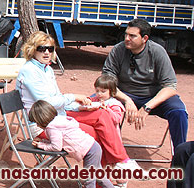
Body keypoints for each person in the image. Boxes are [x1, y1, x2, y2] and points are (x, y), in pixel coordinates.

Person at [16, 31, 141, 169]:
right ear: (33, 50)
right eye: (41, 48)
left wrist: (79, 107)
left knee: (101, 113)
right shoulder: (29, 71)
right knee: (96, 137)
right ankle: (108, 175)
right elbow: (47, 103)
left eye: (50, 49)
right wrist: (74, 97)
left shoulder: (47, 70)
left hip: (58, 117)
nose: (46, 52)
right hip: (43, 124)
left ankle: (120, 163)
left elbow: (58, 99)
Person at [102, 18, 188, 149]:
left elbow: (170, 87)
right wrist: (127, 100)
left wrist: (147, 107)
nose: (127, 38)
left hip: (153, 97)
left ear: (144, 38)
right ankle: (108, 152)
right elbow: (107, 83)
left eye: (132, 36)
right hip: (123, 94)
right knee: (101, 105)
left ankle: (181, 156)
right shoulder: (118, 50)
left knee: (179, 112)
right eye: (126, 34)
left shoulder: (157, 52)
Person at [29, 100, 115, 188]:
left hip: (89, 152)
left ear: (41, 120)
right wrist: (44, 142)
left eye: (37, 123)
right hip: (93, 147)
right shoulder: (59, 120)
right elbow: (59, 141)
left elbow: (56, 147)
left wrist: (41, 145)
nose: (37, 126)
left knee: (89, 179)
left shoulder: (52, 128)